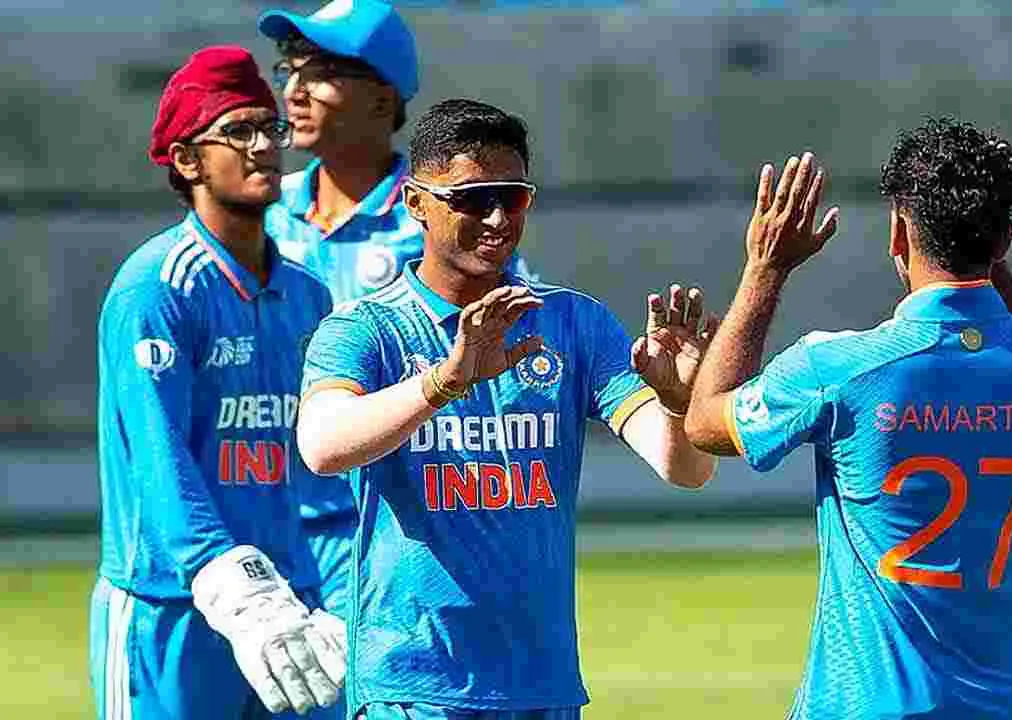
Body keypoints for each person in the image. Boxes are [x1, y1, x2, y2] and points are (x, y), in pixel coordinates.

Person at [294, 98, 718, 720]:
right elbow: (322, 446)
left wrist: (680, 404)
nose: (497, 218)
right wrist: (445, 380)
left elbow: (686, 470)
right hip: (414, 684)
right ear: (416, 203)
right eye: (472, 199)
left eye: (513, 198)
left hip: (542, 684)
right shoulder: (365, 328)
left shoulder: (574, 322)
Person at [684, 120, 1012, 719]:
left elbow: (704, 421)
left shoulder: (836, 369)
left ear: (897, 234)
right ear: (1004, 240)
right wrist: (983, 255)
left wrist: (766, 268)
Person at [257, 0, 537, 622]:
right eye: (288, 71)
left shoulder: (447, 217)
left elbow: (512, 356)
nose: (295, 90)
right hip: (270, 526)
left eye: (320, 72)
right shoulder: (265, 216)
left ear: (383, 98)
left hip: (395, 527)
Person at [89, 45, 347, 720]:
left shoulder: (308, 298)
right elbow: (157, 457)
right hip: (173, 608)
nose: (264, 147)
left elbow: (325, 469)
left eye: (269, 127)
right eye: (238, 131)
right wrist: (231, 585)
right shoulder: (155, 289)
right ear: (187, 160)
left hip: (292, 608)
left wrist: (344, 592)